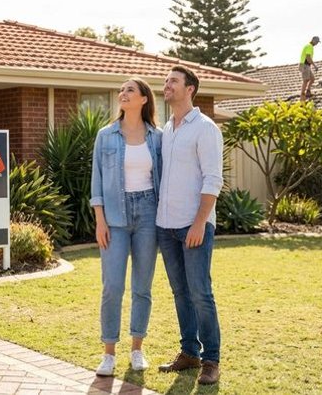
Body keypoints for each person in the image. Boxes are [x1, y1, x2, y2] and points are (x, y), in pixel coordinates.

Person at [156, 65, 224, 386]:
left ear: (190, 89)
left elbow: (213, 179)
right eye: (166, 81)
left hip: (194, 226)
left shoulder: (205, 128)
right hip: (166, 226)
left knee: (200, 293)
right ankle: (189, 352)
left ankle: (211, 360)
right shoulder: (167, 129)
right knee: (180, 292)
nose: (166, 85)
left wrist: (199, 223)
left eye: (173, 81)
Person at [90, 77, 162, 376]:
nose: (123, 93)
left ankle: (137, 349)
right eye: (122, 90)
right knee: (113, 286)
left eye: (130, 90)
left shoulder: (157, 137)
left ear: (144, 99)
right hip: (114, 218)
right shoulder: (105, 135)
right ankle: (108, 354)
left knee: (142, 287)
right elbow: (96, 180)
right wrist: (100, 220)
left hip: (148, 214)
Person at [299, 36, 320, 101]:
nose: (316, 43)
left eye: (317, 42)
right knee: (306, 80)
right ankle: (302, 96)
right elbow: (308, 57)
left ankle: (308, 91)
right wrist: (314, 65)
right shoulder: (309, 46)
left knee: (312, 79)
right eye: (316, 41)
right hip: (304, 65)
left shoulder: (309, 46)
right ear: (313, 40)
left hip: (307, 65)